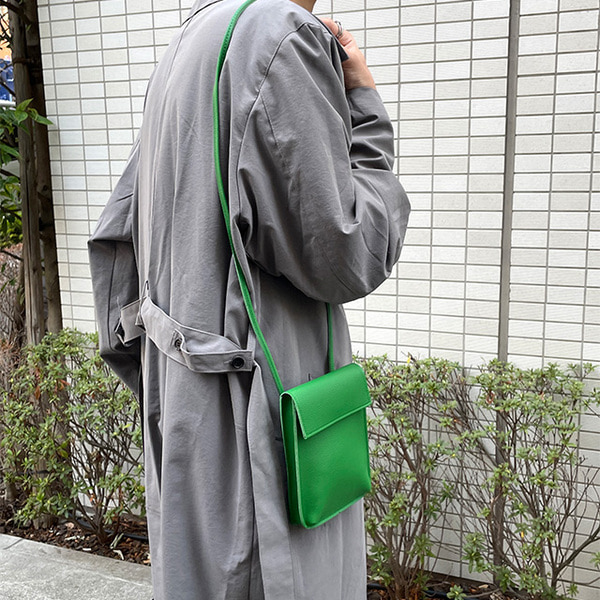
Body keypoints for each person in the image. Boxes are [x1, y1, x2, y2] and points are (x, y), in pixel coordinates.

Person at [88, 0, 410, 598]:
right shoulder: (282, 36)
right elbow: (349, 253)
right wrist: (365, 107)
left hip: (187, 410)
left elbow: (116, 239)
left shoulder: (191, 38)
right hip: (258, 426)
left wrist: (163, 376)